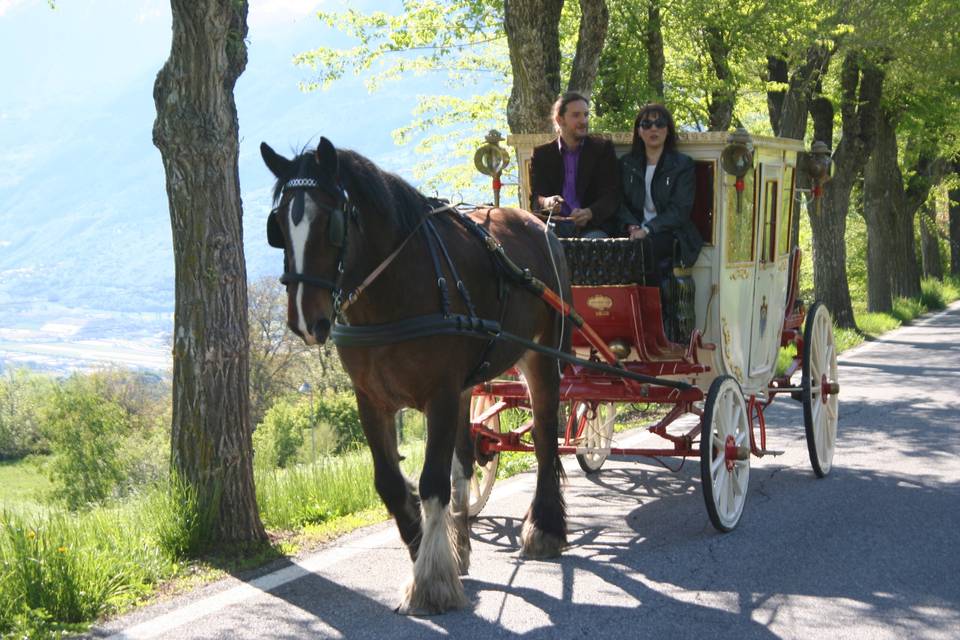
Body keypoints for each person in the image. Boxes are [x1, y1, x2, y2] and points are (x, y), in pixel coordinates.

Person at [617, 103, 703, 271]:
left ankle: (655, 298)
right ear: (639, 131)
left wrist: (648, 229)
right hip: (632, 231)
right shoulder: (626, 164)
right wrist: (631, 225)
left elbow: (679, 210)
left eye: (660, 124)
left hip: (670, 232)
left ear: (668, 129)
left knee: (646, 249)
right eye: (646, 124)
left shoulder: (683, 165)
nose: (653, 129)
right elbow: (618, 202)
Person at [529, 91, 620, 238]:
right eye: (576, 115)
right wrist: (547, 202)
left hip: (592, 227)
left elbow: (612, 195)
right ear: (560, 120)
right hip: (554, 226)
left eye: (585, 114)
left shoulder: (602, 150)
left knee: (594, 244)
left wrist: (590, 212)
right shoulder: (543, 154)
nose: (583, 120)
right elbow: (536, 199)